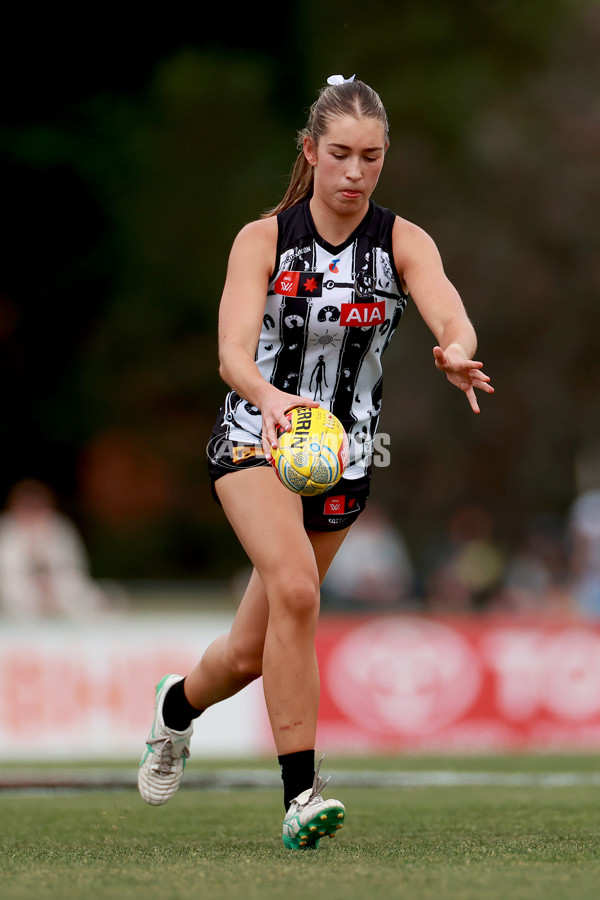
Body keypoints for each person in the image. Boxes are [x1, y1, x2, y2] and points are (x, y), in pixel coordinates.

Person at [137, 74, 494, 848]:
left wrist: (456, 353)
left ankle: (175, 710)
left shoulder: (402, 242)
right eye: (340, 154)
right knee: (297, 592)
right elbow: (231, 353)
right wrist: (269, 399)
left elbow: (448, 310)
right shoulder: (262, 239)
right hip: (254, 440)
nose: (355, 173)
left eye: (371, 156)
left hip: (344, 460)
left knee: (243, 656)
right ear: (311, 151)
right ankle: (302, 797)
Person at [0, 478, 106, 620]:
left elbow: (72, 565)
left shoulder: (59, 526)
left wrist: (51, 584)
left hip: (59, 589)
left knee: (87, 597)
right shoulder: (7, 529)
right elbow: (8, 572)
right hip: (20, 593)